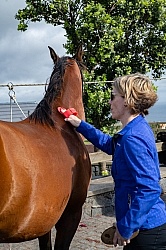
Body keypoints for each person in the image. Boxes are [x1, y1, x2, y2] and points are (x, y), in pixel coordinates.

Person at [58, 73, 166, 249]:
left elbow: (149, 188)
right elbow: (110, 144)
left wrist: (125, 228)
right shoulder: (134, 129)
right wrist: (80, 124)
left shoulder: (133, 138)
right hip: (143, 227)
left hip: (147, 232)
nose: (109, 102)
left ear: (127, 100)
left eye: (112, 96)